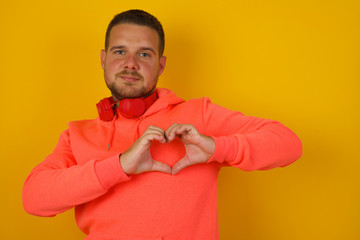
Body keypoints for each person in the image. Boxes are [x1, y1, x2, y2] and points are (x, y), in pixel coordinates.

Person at [23, 9, 302, 240]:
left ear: (161, 65)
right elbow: (33, 198)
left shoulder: (198, 115)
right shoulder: (77, 134)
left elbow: (289, 144)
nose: (130, 63)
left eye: (144, 54)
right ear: (103, 59)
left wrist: (216, 147)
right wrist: (119, 165)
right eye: (120, 51)